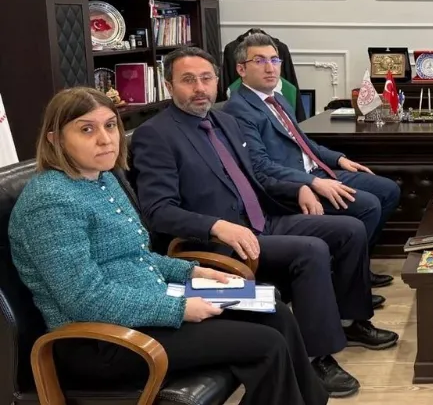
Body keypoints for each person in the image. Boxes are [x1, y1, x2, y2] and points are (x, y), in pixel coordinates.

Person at [8, 87, 332, 404]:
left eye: (110, 125)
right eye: (86, 130)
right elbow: (84, 299)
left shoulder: (103, 177)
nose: (105, 139)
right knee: (266, 344)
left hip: (147, 305)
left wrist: (194, 272)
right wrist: (179, 309)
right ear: (55, 139)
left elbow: (135, 257)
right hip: (102, 341)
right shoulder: (50, 201)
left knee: (272, 307)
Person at [131, 47, 398, 398]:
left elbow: (256, 173)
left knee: (349, 229)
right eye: (188, 80)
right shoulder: (156, 134)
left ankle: (350, 321)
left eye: (206, 78)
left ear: (217, 81)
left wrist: (299, 186)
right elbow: (158, 211)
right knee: (311, 250)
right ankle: (316, 358)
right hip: (220, 240)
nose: (199, 88)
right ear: (169, 86)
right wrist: (215, 226)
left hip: (262, 219)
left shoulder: (224, 121)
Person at [223, 32, 400, 289]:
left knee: (388, 190)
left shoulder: (277, 98)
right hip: (292, 185)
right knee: (369, 205)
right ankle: (348, 281)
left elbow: (303, 142)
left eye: (274, 60)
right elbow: (260, 166)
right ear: (241, 69)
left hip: (317, 170)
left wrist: (339, 159)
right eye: (259, 61)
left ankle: (355, 268)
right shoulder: (239, 109)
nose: (270, 68)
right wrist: (311, 183)